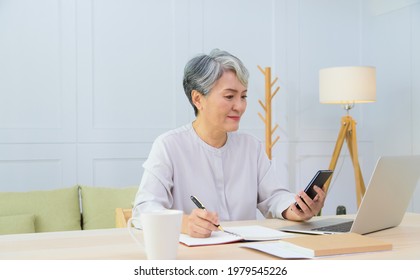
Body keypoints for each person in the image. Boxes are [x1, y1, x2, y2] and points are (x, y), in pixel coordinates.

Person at [132, 49, 326, 238]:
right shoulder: (169, 146)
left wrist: (297, 209)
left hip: (247, 253)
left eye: (243, 96)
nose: (240, 106)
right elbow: (143, 211)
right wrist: (184, 223)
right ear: (198, 99)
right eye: (229, 96)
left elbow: (273, 198)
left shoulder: (251, 147)